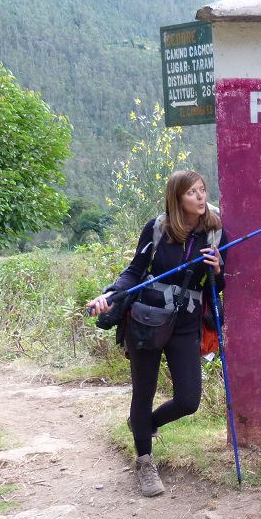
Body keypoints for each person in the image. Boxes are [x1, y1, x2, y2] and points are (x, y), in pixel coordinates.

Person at [86, 170, 228, 497]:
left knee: (189, 400)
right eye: (192, 192)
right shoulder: (157, 228)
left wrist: (218, 270)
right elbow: (134, 271)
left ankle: (145, 425)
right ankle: (145, 461)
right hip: (147, 319)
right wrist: (109, 295)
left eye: (202, 190)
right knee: (144, 390)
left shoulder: (217, 234)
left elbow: (217, 288)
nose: (201, 197)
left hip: (187, 322)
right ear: (177, 198)